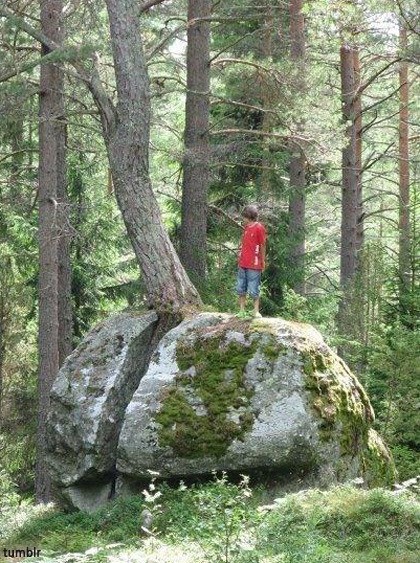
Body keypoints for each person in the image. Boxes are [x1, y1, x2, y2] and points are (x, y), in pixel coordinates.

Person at [236, 204, 266, 318]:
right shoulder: (246, 228)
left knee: (254, 288)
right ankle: (242, 310)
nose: (243, 220)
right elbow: (244, 244)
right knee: (240, 287)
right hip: (243, 263)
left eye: (244, 217)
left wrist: (263, 260)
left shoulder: (259, 227)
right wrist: (240, 254)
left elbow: (263, 244)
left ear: (249, 216)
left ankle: (256, 311)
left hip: (254, 264)